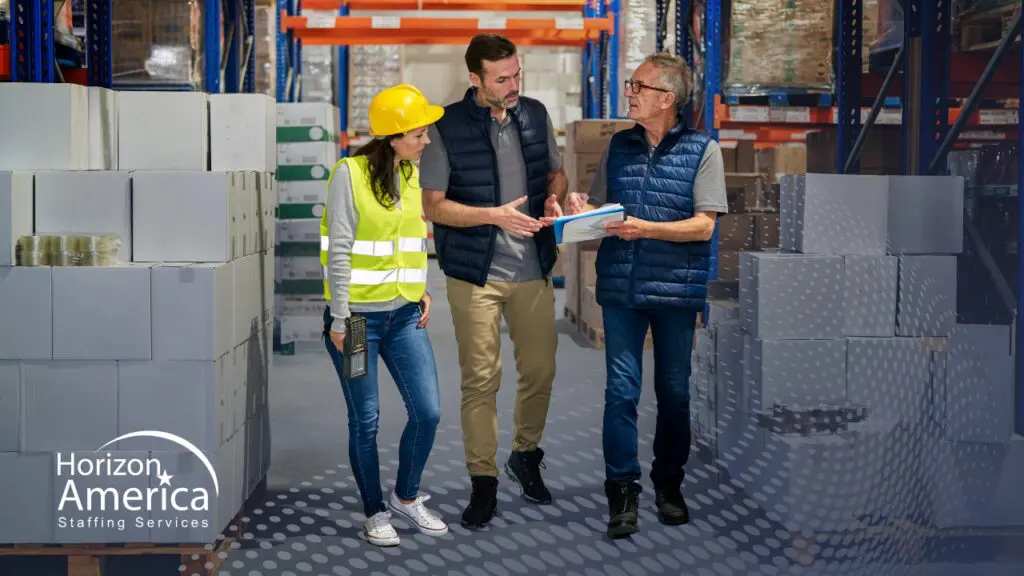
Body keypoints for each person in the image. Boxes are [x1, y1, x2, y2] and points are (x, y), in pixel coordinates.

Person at [565, 53, 728, 539]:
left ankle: (668, 486)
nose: (629, 93)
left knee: (674, 395)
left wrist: (645, 229)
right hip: (622, 287)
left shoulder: (703, 150)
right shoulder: (620, 147)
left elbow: (704, 226)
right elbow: (601, 209)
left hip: (675, 290)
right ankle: (622, 492)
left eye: (638, 86)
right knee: (621, 393)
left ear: (667, 98)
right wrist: (579, 208)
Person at [420, 33, 568, 529]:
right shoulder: (446, 126)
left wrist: (554, 199)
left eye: (517, 75)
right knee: (481, 379)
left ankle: (525, 454)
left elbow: (555, 174)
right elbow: (433, 205)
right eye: (502, 78)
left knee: (541, 371)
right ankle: (483, 481)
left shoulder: (535, 114)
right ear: (475, 79)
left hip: (533, 269)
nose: (512, 85)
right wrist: (493, 216)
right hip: (475, 275)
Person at [320, 84, 448, 547]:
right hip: (355, 323)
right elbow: (338, 251)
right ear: (393, 136)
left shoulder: (411, 173)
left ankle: (406, 498)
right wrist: (338, 319)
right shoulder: (348, 175)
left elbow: (412, 239)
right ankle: (375, 510)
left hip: (404, 315)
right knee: (366, 419)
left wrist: (422, 288)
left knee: (429, 411)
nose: (426, 139)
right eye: (419, 132)